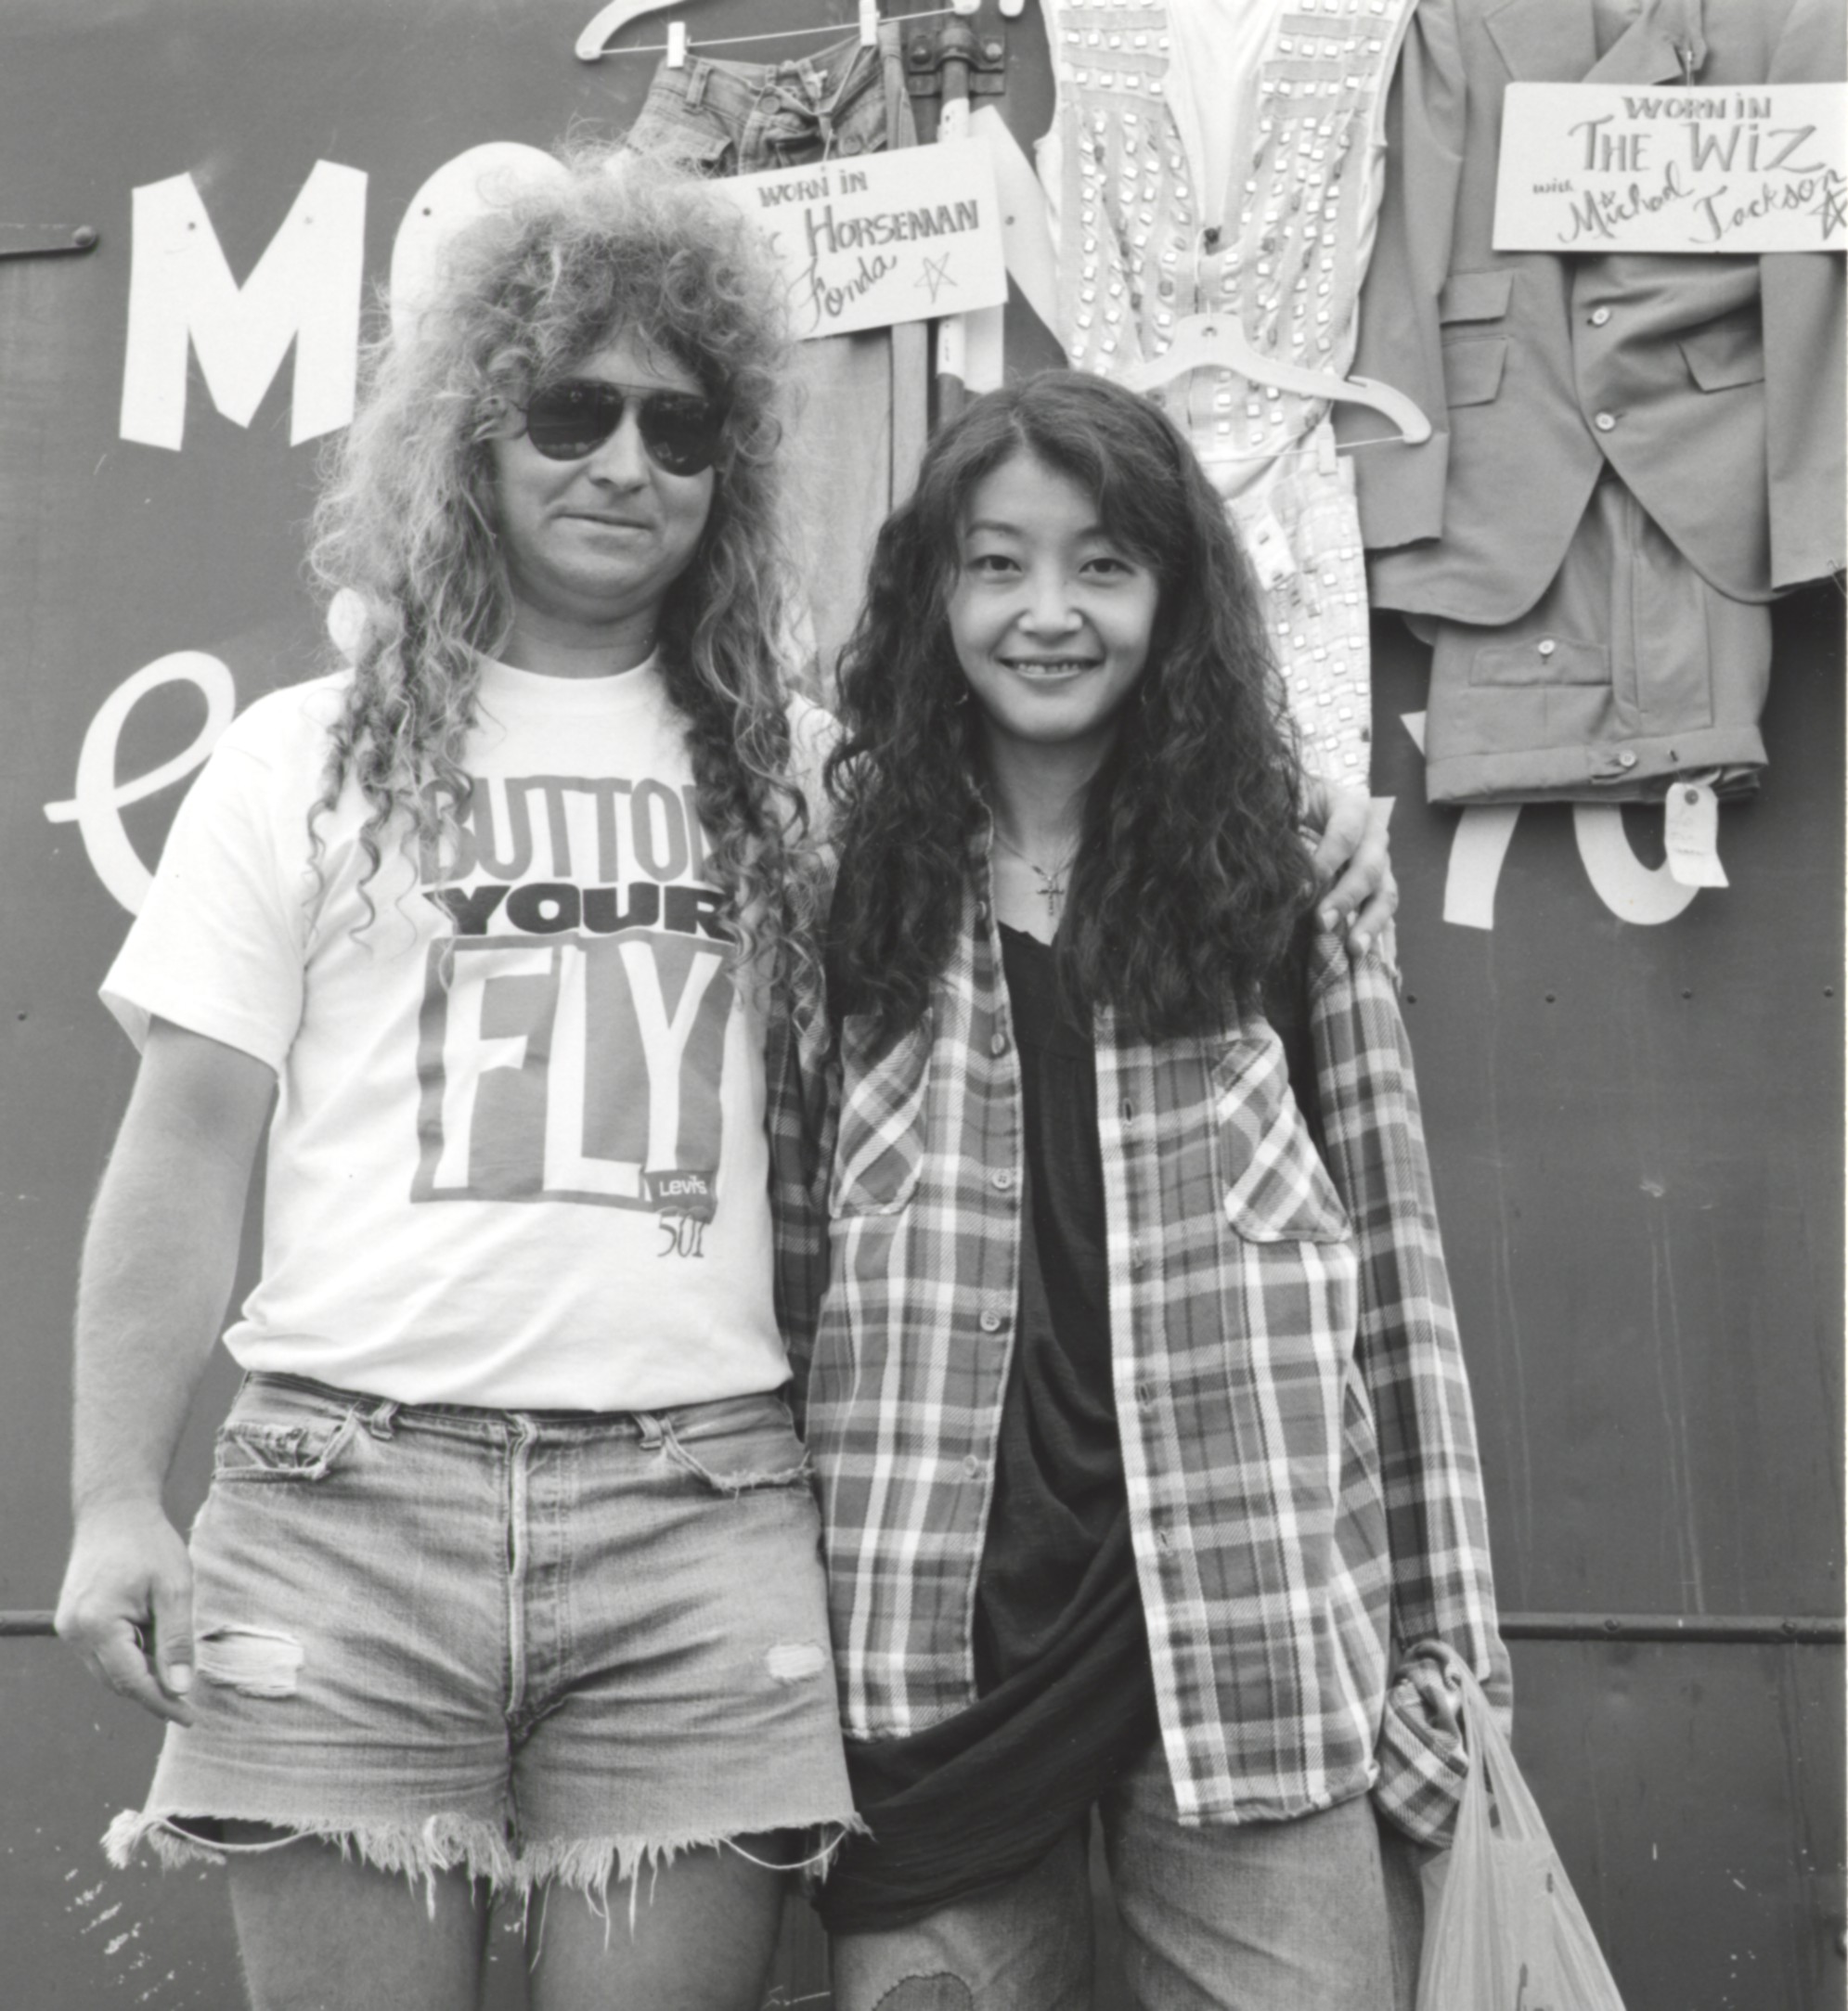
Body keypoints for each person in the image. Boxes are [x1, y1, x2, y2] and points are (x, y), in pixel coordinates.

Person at [50, 153, 856, 2011]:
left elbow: (1060, 846)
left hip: (698, 1512)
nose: (626, 461)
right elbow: (184, 1149)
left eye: (681, 420)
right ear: (472, 431)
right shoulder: (300, 758)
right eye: (571, 408)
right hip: (348, 1501)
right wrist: (113, 1499)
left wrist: (1308, 815)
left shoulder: (805, 776)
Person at [782, 371, 1508, 2010]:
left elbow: (1400, 1279)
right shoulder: (847, 892)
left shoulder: (1286, 872)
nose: (1050, 613)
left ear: (1173, 595)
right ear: (934, 593)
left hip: (1245, 1626)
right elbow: (782, 1273)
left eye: (1102, 564)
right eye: (997, 564)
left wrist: (1450, 1658)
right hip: (928, 1654)